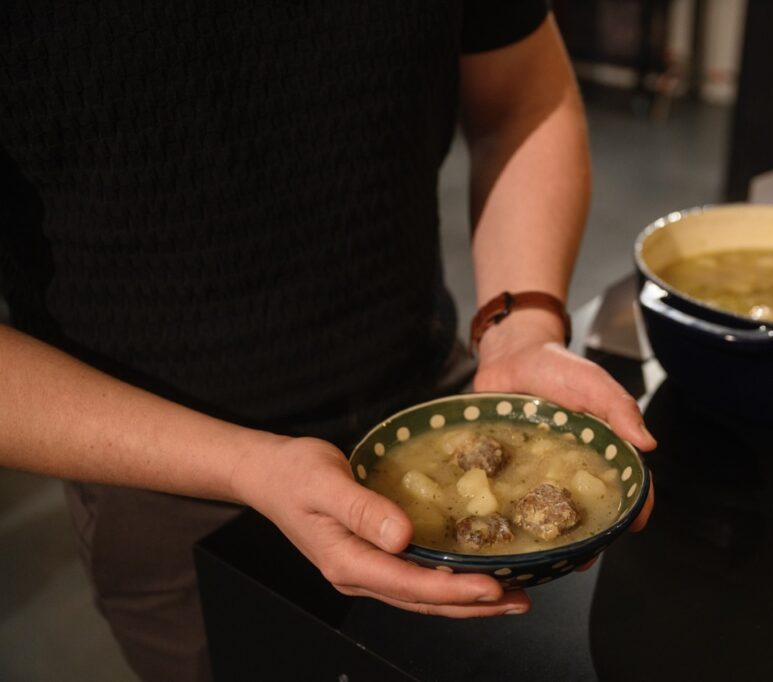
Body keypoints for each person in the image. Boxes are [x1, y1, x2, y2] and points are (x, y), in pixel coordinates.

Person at [0, 3, 656, 681]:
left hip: (430, 402)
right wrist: (247, 465)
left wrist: (520, 329)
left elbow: (523, 97)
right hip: (164, 483)